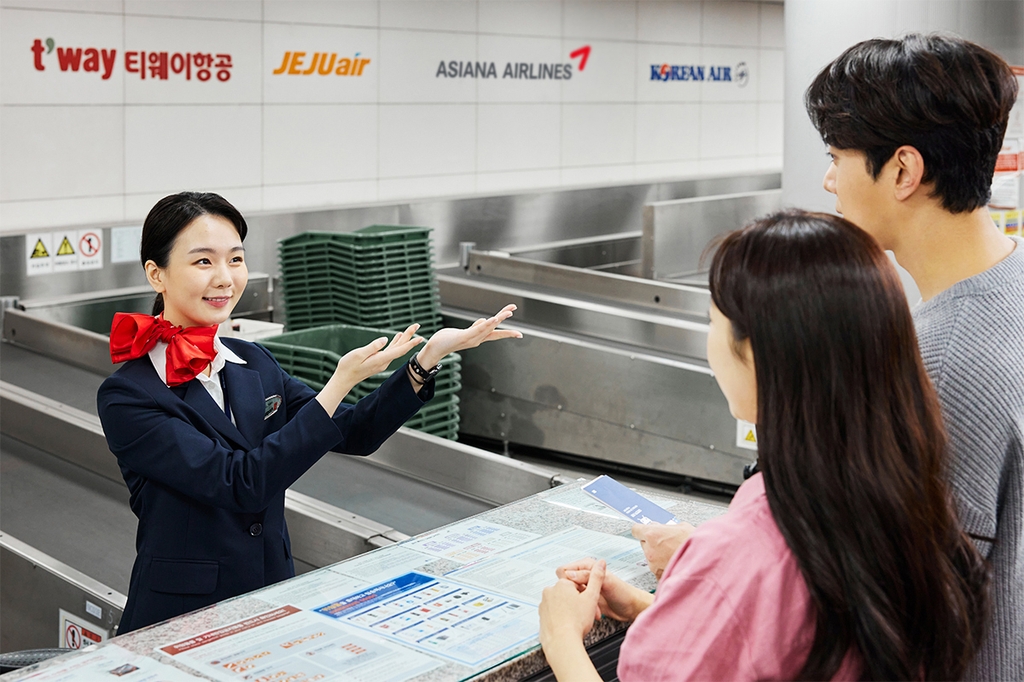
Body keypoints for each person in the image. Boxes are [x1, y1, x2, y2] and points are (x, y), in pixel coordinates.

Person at [538, 210, 990, 680]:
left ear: (754, 352)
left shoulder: (743, 551)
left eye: (713, 320)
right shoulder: (908, 503)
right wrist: (658, 607)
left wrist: (563, 637)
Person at [97, 192, 521, 634]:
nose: (225, 278)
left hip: (273, 595)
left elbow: (352, 432)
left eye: (236, 259)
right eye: (203, 262)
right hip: (182, 617)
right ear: (156, 273)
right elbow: (239, 483)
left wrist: (425, 361)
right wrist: (339, 383)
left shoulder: (254, 362)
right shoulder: (129, 395)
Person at [804, 34, 1022, 679]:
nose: (828, 180)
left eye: (837, 156)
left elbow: (904, 618)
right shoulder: (1012, 279)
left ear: (902, 170)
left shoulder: (942, 360)